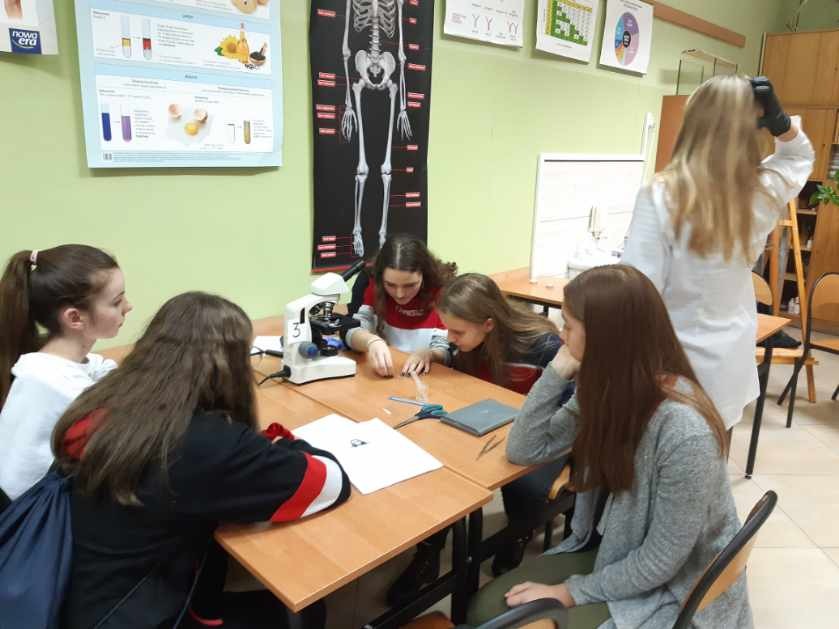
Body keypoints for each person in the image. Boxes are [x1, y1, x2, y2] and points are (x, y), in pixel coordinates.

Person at [467, 265, 750, 628]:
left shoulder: (684, 432)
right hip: (615, 551)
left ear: (605, 337)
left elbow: (661, 562)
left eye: (569, 326)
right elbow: (525, 449)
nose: (561, 334)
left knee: (495, 617)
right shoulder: (606, 389)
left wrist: (570, 592)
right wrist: (556, 372)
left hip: (672, 590)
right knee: (485, 610)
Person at [52, 292, 351, 629]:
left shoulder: (103, 399)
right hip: (141, 614)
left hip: (75, 595)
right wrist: (283, 441)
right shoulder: (204, 444)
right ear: (228, 366)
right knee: (307, 612)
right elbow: (330, 482)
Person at [622, 75, 814, 429]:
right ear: (749, 130)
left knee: (668, 455)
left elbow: (638, 293)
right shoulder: (761, 191)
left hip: (672, 365)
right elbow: (799, 157)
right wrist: (781, 123)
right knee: (712, 452)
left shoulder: (661, 195)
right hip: (728, 362)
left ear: (692, 122)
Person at [0, 245, 131, 501]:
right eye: (116, 302)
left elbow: (101, 368)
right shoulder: (62, 387)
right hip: (31, 514)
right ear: (74, 318)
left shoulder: (45, 363)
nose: (129, 307)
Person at [343, 235, 456, 377]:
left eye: (410, 285)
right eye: (390, 285)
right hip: (384, 373)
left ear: (424, 274)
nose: (400, 294)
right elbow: (350, 329)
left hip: (429, 376)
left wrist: (430, 354)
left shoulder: (442, 288)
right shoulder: (369, 281)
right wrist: (371, 341)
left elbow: (449, 350)